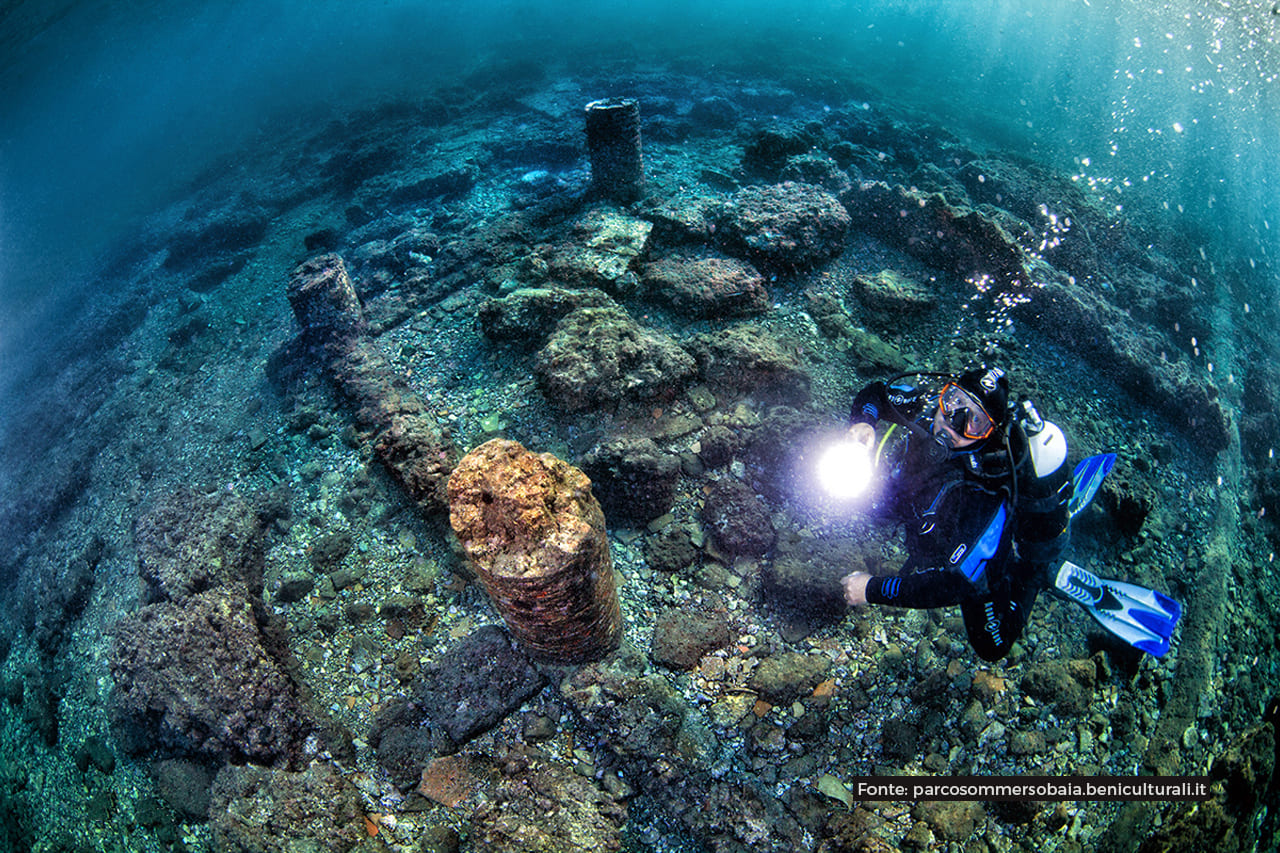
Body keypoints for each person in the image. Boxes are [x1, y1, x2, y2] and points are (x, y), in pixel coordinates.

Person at [838, 367, 1073, 661]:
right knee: (867, 501)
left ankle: (1036, 572)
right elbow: (874, 393)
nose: (953, 422)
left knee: (992, 647)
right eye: (955, 402)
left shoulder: (984, 492)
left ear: (989, 435)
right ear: (944, 394)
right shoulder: (928, 408)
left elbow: (954, 585)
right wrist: (865, 423)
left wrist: (871, 589)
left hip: (970, 549)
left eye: (975, 421)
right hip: (922, 508)